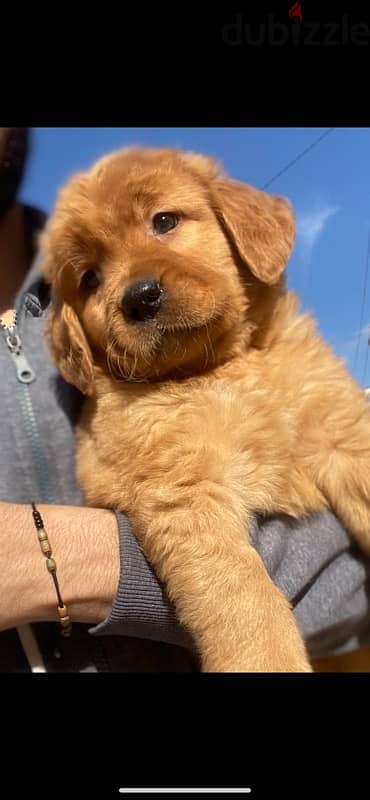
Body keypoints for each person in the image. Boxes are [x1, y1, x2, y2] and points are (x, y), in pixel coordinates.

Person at [0, 127, 369, 673]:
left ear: (238, 222)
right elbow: (190, 524)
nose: (137, 286)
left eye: (165, 221)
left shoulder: (295, 352)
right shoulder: (129, 406)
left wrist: (64, 558)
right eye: (93, 277)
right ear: (78, 339)